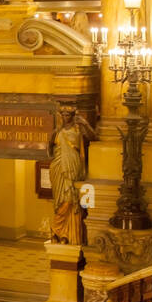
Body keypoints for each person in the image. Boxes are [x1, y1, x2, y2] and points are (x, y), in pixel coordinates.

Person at [48, 105, 96, 245]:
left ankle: (58, 230)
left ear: (72, 116)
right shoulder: (57, 131)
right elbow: (49, 150)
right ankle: (60, 233)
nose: (65, 117)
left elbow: (94, 137)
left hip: (73, 169)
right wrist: (50, 142)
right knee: (59, 201)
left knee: (70, 200)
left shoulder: (78, 129)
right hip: (58, 169)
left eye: (68, 115)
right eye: (63, 115)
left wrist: (85, 124)